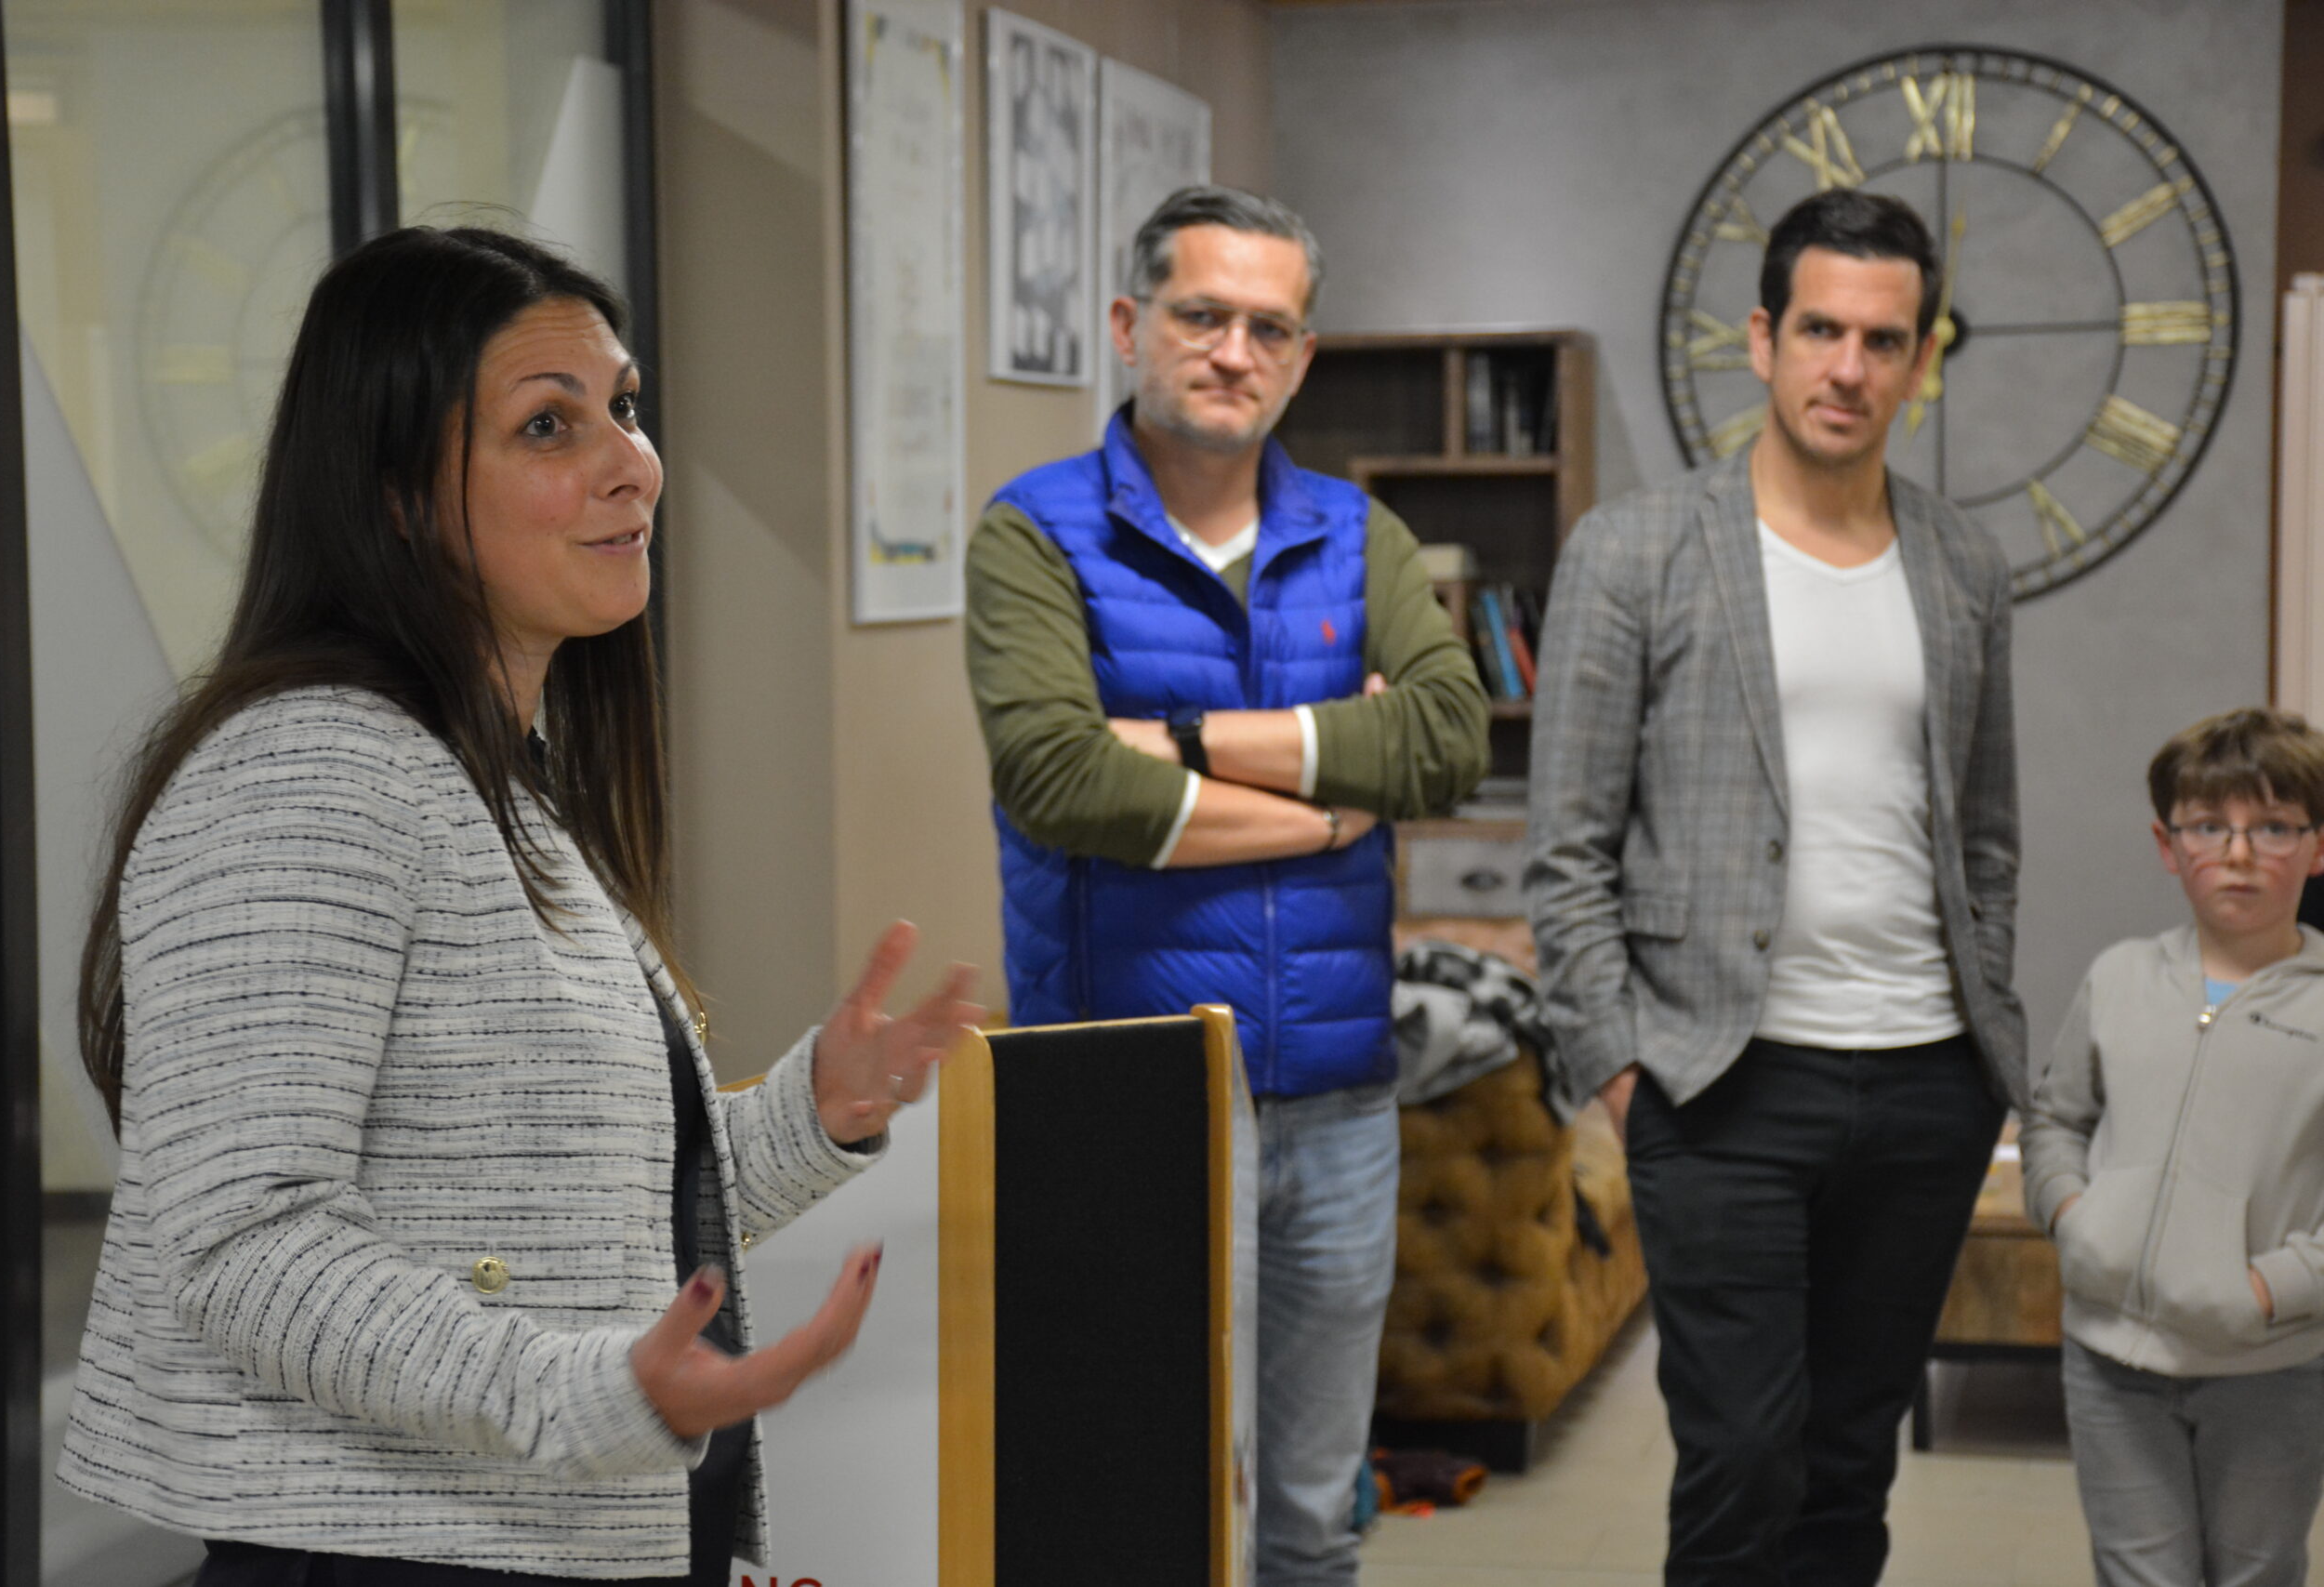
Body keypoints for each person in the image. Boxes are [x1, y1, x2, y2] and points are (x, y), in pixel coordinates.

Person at [55, 226, 980, 1586]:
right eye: (550, 425)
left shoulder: (486, 771)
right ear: (395, 497)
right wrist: (591, 1392)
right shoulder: (308, 768)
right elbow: (247, 1243)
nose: (630, 463)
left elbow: (566, 1208)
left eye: (625, 406)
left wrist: (815, 1112)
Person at [965, 184, 1487, 1583]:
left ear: (1302, 356)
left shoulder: (1357, 535)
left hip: (1336, 1103)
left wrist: (1184, 742)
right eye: (1202, 315)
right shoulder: (1035, 533)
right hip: (1124, 1100)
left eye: (1269, 326)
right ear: (1130, 324)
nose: (1233, 350)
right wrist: (1327, 812)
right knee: (1135, 1507)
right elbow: (1059, 777)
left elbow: (1447, 740)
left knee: (1312, 1517)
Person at [1524, 187, 2024, 1585]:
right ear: (1762, 338)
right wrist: (1619, 1064)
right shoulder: (1634, 548)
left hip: (1926, 1078)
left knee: (1849, 1463)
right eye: (1819, 330)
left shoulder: (1963, 562)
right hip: (1718, 1078)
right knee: (1742, 1455)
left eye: (1883, 339)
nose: (1847, 367)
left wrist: (1983, 1028)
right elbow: (1567, 843)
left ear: (1920, 359)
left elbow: (1986, 833)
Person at [2023, 708, 2324, 1587]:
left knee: (2257, 1571)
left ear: (2318, 846)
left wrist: (2268, 1290)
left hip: (2271, 1366)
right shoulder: (2119, 976)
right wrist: (2077, 1219)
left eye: (2274, 826)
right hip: (2109, 1361)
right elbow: (2055, 1119)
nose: (2239, 853)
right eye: (2208, 826)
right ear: (2168, 844)